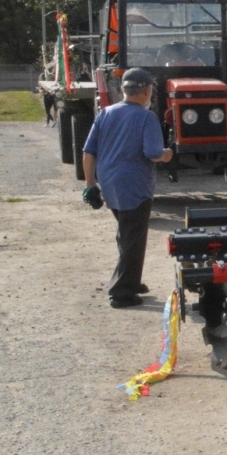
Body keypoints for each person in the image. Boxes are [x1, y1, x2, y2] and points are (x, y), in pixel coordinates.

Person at [81, 67, 174, 308]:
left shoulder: (105, 113)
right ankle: (122, 293)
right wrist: (167, 155)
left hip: (109, 183)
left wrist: (90, 184)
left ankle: (131, 279)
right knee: (134, 237)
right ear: (146, 91)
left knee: (126, 233)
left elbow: (88, 152)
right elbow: (152, 153)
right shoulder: (146, 117)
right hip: (134, 185)